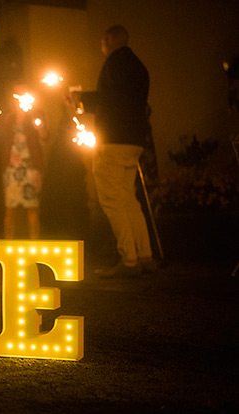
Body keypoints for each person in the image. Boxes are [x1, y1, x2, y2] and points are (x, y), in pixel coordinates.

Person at [69, 25, 155, 278]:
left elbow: (112, 101)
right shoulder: (139, 67)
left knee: (111, 200)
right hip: (135, 140)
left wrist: (81, 98)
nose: (101, 46)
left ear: (108, 40)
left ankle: (129, 259)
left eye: (102, 41)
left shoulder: (114, 64)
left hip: (114, 140)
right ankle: (144, 254)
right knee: (129, 198)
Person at [1, 85, 44, 239]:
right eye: (16, 94)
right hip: (12, 169)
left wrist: (40, 128)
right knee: (10, 210)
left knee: (32, 209)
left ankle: (34, 246)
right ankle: (8, 247)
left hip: (31, 167)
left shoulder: (35, 116)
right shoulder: (8, 118)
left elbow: (45, 136)